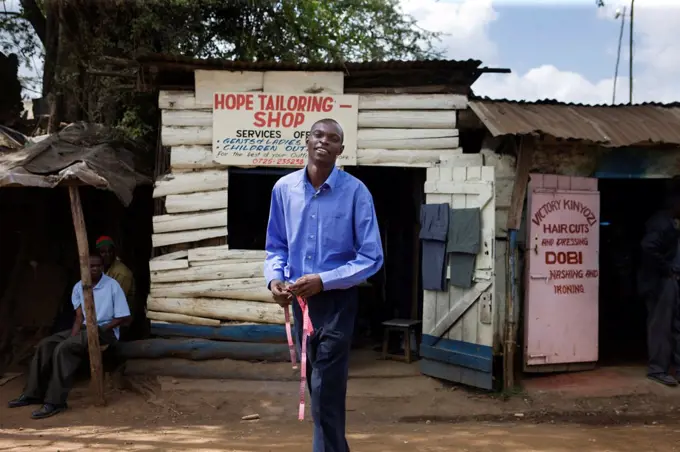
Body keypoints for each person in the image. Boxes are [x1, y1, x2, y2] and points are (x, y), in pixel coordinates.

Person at [264, 118, 384, 452]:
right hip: (302, 305)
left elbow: (371, 257)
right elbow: (276, 246)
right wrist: (275, 279)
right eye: (318, 135)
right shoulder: (284, 190)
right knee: (317, 389)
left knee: (325, 387)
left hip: (338, 304)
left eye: (333, 138)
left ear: (340, 149)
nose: (324, 142)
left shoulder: (356, 192)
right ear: (307, 140)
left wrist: (324, 280)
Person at [8, 254, 131, 419]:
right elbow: (79, 317)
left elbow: (122, 317)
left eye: (97, 266)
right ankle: (33, 393)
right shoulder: (79, 287)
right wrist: (72, 336)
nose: (93, 269)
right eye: (90, 266)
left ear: (102, 267)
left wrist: (98, 329)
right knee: (47, 344)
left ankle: (56, 402)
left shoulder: (112, 286)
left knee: (64, 349)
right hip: (84, 329)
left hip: (105, 331)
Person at [638, 194, 680, 386]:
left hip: (669, 279)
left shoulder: (670, 222)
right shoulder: (661, 222)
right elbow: (648, 248)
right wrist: (666, 269)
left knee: (675, 325)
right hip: (660, 281)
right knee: (661, 326)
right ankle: (657, 369)